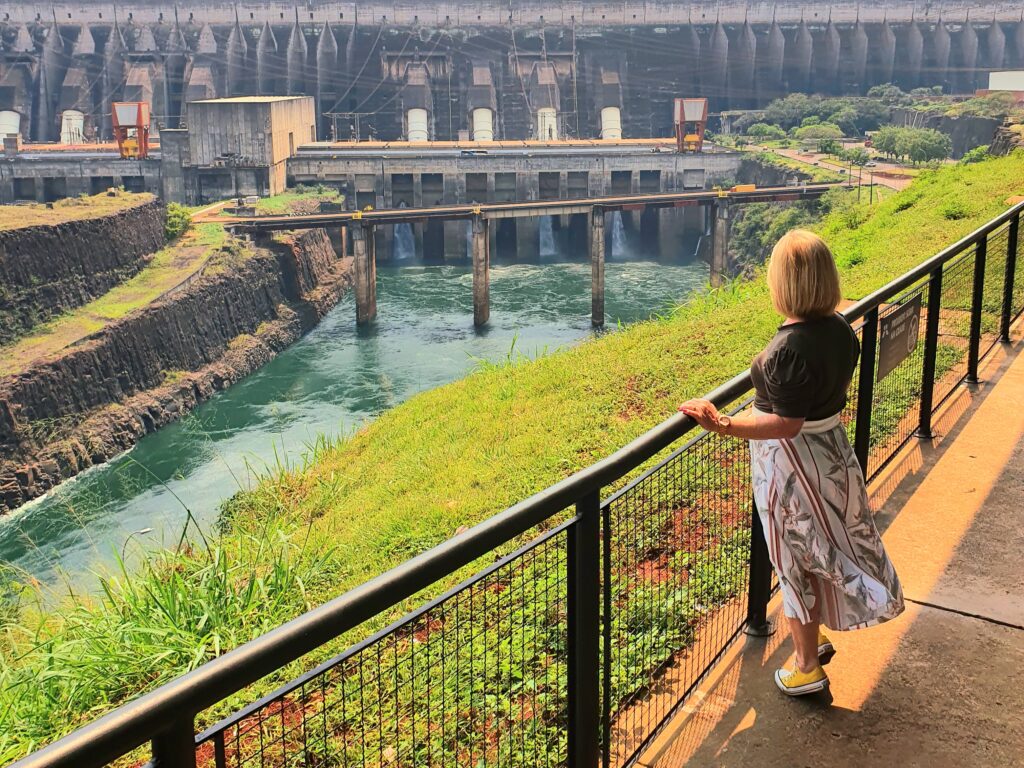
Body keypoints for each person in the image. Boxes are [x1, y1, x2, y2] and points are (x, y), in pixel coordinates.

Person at [679, 229, 904, 697]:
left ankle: (806, 666)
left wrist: (721, 425)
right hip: (833, 456)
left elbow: (784, 424)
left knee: (793, 559)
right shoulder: (840, 329)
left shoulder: (787, 352)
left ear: (783, 282)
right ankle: (814, 635)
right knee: (825, 545)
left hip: (792, 467)